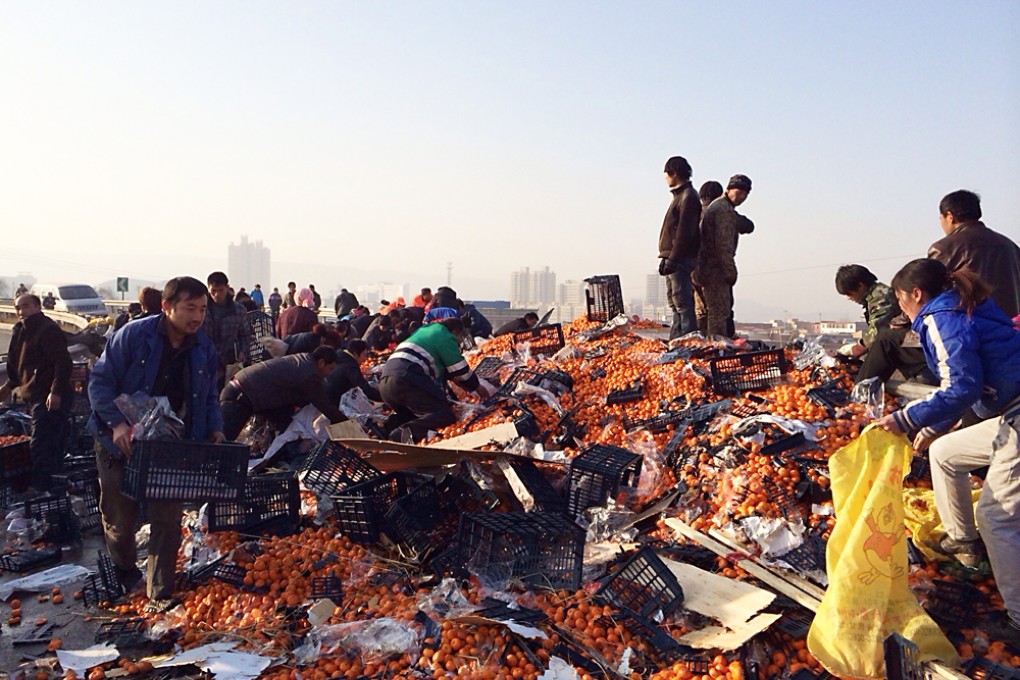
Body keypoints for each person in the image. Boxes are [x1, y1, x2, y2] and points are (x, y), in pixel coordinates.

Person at [875, 258, 1020, 646]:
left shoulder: (941, 317)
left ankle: (1019, 620)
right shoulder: (959, 305)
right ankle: (963, 544)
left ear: (916, 295)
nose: (900, 307)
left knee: (996, 516)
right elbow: (971, 383)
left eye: (901, 299)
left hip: (1018, 416)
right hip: (1008, 410)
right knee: (945, 454)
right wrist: (935, 427)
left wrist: (905, 420)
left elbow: (962, 386)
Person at [87, 277, 224, 612]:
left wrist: (215, 430)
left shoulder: (203, 348)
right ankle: (125, 569)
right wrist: (116, 423)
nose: (197, 316)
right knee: (120, 516)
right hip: (120, 439)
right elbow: (100, 381)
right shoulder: (135, 336)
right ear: (167, 307)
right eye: (190, 308)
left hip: (168, 444)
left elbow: (207, 398)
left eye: (202, 309)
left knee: (167, 516)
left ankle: (159, 594)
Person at [0, 294, 73, 490]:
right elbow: (17, 365)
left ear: (37, 307)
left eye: (26, 306)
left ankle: (41, 490)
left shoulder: (47, 330)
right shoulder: (19, 331)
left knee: (41, 446)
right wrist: (8, 387)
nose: (21, 311)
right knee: (48, 446)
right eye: (17, 308)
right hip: (34, 396)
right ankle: (53, 490)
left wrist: (55, 391)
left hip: (50, 396)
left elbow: (63, 362)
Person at [379, 318, 494, 442]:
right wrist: (478, 388)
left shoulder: (425, 331)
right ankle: (398, 436)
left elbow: (448, 374)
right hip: (406, 378)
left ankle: (383, 431)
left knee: (415, 416)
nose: (459, 341)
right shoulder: (443, 335)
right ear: (455, 331)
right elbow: (461, 370)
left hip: (386, 382)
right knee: (444, 415)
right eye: (460, 337)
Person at [220, 345, 348, 440]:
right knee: (223, 439)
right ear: (321, 363)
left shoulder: (303, 361)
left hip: (247, 391)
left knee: (285, 425)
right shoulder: (309, 374)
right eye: (330, 369)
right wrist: (349, 425)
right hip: (241, 395)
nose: (329, 373)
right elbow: (323, 404)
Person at [927, 190, 1020, 319]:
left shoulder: (943, 248)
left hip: (970, 328)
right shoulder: (1009, 245)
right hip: (1011, 328)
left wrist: (900, 321)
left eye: (940, 218)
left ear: (949, 216)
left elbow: (927, 292)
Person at [696, 174, 755, 338]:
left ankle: (702, 345)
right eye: (739, 192)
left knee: (703, 311)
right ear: (728, 190)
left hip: (702, 268)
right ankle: (716, 349)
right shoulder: (724, 210)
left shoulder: (717, 206)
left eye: (745, 194)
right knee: (719, 310)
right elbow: (724, 245)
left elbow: (747, 226)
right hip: (714, 269)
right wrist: (730, 270)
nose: (742, 197)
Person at [657, 156, 702, 340]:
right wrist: (665, 257)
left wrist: (673, 258)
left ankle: (688, 342)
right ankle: (676, 341)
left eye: (666, 174)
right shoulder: (680, 196)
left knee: (682, 303)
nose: (665, 178)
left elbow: (684, 232)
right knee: (675, 303)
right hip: (673, 257)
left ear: (673, 174)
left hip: (681, 259)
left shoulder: (688, 197)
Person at [834, 265, 900, 358]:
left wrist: (858, 347)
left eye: (849, 293)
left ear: (860, 286)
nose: (848, 298)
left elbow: (879, 329)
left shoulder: (880, 297)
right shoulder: (875, 295)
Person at [202, 272, 250, 391]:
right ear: (208, 289)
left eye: (221, 290)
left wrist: (243, 351)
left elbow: (244, 334)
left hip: (227, 361)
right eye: (213, 291)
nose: (217, 294)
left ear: (227, 288)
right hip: (203, 359)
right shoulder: (201, 309)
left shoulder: (238, 310)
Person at [692, 181, 724, 335]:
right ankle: (711, 346)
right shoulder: (718, 214)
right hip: (711, 270)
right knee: (715, 311)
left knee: (700, 310)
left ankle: (698, 343)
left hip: (692, 268)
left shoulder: (692, 213)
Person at [325, 339, 382, 404]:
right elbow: (364, 389)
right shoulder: (350, 367)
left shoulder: (341, 357)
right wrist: (385, 398)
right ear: (355, 354)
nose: (365, 359)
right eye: (364, 355)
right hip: (337, 404)